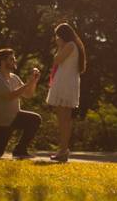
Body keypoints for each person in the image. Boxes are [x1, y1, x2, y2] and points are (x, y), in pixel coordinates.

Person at [45, 22, 86, 162]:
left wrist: (60, 46)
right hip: (67, 82)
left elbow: (57, 60)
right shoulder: (74, 46)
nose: (56, 39)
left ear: (62, 35)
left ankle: (63, 150)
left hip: (65, 83)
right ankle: (63, 150)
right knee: (65, 119)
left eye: (58, 36)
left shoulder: (69, 45)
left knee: (63, 120)